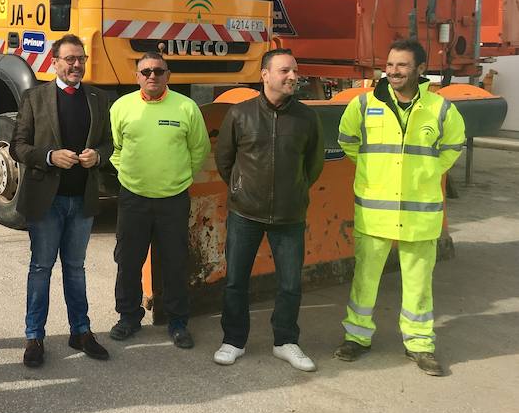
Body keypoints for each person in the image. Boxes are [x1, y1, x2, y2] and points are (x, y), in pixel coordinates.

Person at [334, 39, 465, 376]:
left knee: (419, 285)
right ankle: (356, 337)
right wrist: (374, 173)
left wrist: (429, 172)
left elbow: (453, 145)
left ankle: (419, 344)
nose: (393, 71)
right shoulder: (363, 104)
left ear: (420, 69)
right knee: (364, 281)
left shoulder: (440, 108)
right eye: (390, 65)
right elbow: (348, 141)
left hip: (420, 216)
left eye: (402, 65)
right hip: (374, 213)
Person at [213, 49, 325, 371]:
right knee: (236, 281)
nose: (293, 77)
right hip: (245, 214)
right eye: (285, 70)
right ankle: (233, 340)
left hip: (289, 216)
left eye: (295, 71)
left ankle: (285, 341)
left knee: (290, 284)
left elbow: (314, 164)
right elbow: (225, 159)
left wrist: (296, 190)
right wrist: (240, 189)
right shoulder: (240, 114)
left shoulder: (307, 118)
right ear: (265, 74)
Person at [10, 34, 113, 368]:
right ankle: (34, 337)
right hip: (47, 201)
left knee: (75, 268)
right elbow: (18, 146)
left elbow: (109, 144)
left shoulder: (98, 98)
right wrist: (50, 156)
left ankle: (80, 331)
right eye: (70, 59)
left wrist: (98, 156)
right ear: (54, 62)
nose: (76, 64)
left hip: (81, 200)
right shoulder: (34, 97)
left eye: (81, 58)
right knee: (41, 268)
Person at [108, 52, 210, 348]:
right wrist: (129, 175)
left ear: (168, 75)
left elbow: (199, 149)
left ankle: (177, 322)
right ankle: (128, 317)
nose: (152, 76)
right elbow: (114, 148)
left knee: (175, 262)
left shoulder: (186, 107)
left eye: (158, 71)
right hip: (133, 198)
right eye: (145, 71)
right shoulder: (121, 107)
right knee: (128, 260)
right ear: (136, 76)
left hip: (173, 200)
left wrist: (180, 178)